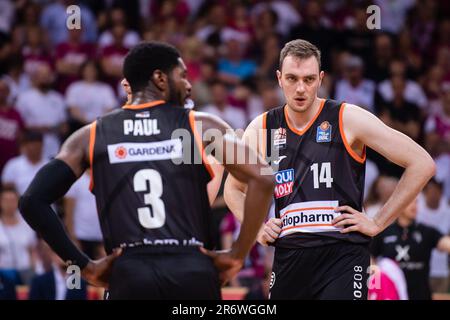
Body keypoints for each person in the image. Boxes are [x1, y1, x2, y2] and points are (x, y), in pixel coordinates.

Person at [19, 41, 274, 299]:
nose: (188, 85)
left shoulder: (91, 135)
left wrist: (83, 266)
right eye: (183, 75)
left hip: (130, 273)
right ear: (160, 78)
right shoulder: (202, 126)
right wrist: (238, 254)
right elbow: (263, 177)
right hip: (191, 269)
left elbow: (31, 200)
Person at [224, 39, 436, 300]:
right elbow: (233, 190)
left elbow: (422, 163)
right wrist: (257, 229)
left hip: (343, 256)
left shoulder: (347, 118)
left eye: (309, 79)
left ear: (321, 78)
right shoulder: (262, 127)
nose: (301, 88)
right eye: (292, 78)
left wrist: (378, 221)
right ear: (279, 78)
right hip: (290, 256)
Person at [371, 199, 450, 300]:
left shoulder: (426, 231)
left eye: (416, 202)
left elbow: (445, 243)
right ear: (398, 205)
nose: (414, 206)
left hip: (421, 295)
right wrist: (377, 282)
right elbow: (370, 257)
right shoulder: (384, 232)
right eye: (410, 201)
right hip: (393, 296)